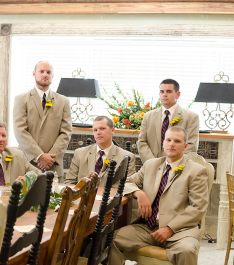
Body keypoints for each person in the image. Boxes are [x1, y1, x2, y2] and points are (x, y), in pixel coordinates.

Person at [109, 126, 208, 265]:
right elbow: (125, 182)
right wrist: (139, 193)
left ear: (185, 146)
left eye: (177, 141)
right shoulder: (151, 165)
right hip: (147, 227)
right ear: (163, 143)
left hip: (180, 231)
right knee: (110, 240)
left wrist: (170, 229)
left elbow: (198, 207)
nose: (171, 144)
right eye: (168, 140)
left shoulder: (197, 171)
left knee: (187, 251)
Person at [13, 61, 72, 178]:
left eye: (48, 72)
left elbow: (66, 132)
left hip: (53, 165)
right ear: (34, 73)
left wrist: (49, 158)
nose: (45, 74)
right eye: (41, 71)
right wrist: (39, 155)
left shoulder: (63, 101)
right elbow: (20, 130)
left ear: (52, 76)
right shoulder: (21, 99)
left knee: (54, 196)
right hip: (28, 163)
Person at [137, 79, 199, 163]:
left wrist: (171, 163)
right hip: (152, 166)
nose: (164, 95)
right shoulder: (148, 116)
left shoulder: (191, 117)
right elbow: (142, 142)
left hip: (177, 167)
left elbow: (191, 146)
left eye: (169, 91)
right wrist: (153, 163)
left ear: (178, 94)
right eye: (162, 92)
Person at [65, 116, 136, 186]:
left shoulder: (126, 157)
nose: (98, 133)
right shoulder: (79, 153)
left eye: (102, 129)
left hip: (110, 197)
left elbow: (129, 187)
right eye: (95, 130)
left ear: (112, 131)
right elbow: (69, 182)